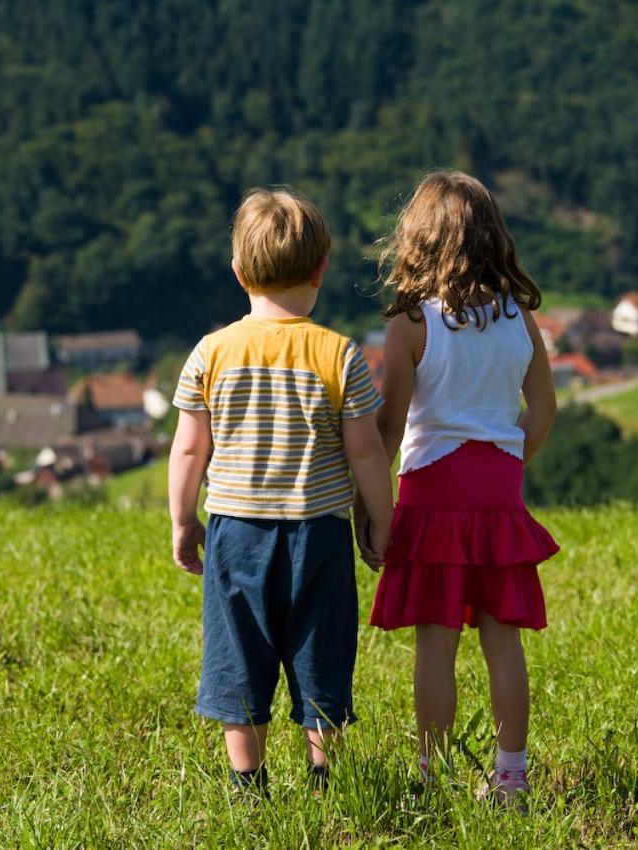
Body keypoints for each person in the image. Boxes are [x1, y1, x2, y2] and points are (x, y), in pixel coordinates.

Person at [168, 186, 393, 796]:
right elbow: (366, 450)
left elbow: (190, 447)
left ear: (239, 272)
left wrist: (182, 521)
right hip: (318, 532)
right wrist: (380, 519)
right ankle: (325, 781)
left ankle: (249, 787)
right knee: (320, 653)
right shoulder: (338, 354)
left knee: (238, 655)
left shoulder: (210, 353)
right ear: (322, 267)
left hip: (235, 532)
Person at [366, 170, 560, 805]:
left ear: (416, 240)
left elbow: (390, 424)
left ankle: (431, 775)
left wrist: (373, 509)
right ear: (492, 237)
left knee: (436, 641)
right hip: (497, 494)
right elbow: (544, 410)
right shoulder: (519, 320)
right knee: (502, 640)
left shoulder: (411, 324)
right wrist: (509, 458)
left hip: (430, 495)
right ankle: (511, 774)